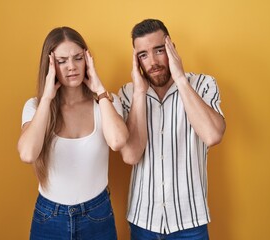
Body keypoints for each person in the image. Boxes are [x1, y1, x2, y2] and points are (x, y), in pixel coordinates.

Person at [118, 19, 226, 239]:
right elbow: (130, 155)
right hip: (143, 221)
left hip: (190, 222)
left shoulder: (203, 84)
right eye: (143, 55)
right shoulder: (128, 93)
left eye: (159, 50)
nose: (153, 62)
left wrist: (179, 78)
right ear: (136, 60)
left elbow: (212, 135)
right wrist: (139, 93)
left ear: (172, 48)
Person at [18, 26, 128, 240]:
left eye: (78, 58)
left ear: (87, 59)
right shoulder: (35, 107)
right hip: (49, 217)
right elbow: (27, 154)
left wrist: (100, 91)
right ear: (49, 65)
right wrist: (48, 98)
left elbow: (117, 141)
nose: (71, 67)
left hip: (98, 215)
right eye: (62, 61)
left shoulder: (106, 102)